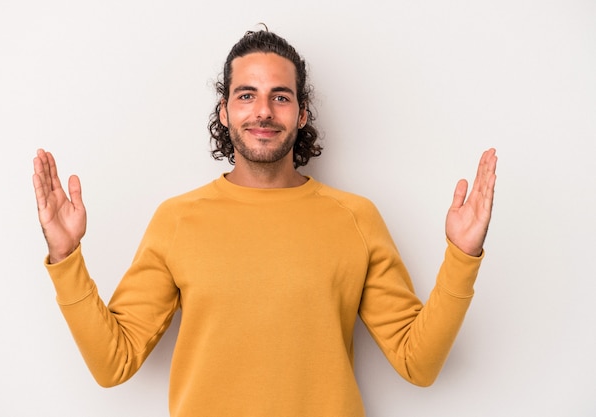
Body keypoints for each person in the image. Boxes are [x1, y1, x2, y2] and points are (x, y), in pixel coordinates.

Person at [32, 29, 497, 417]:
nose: (263, 111)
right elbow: (113, 363)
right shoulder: (177, 220)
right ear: (225, 111)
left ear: (302, 113)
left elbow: (418, 363)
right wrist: (65, 257)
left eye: (280, 96)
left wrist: (463, 256)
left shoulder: (355, 218)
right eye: (246, 95)